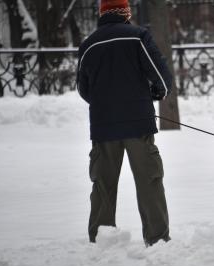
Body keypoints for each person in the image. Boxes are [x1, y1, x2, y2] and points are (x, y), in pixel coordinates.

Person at [76, 0, 171, 246]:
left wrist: (105, 104)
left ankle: (100, 240)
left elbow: (83, 89)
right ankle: (157, 238)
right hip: (138, 124)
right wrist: (156, 93)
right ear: (126, 12)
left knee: (102, 185)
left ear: (102, 14)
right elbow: (160, 76)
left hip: (103, 125)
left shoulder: (88, 45)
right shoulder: (138, 37)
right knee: (149, 181)